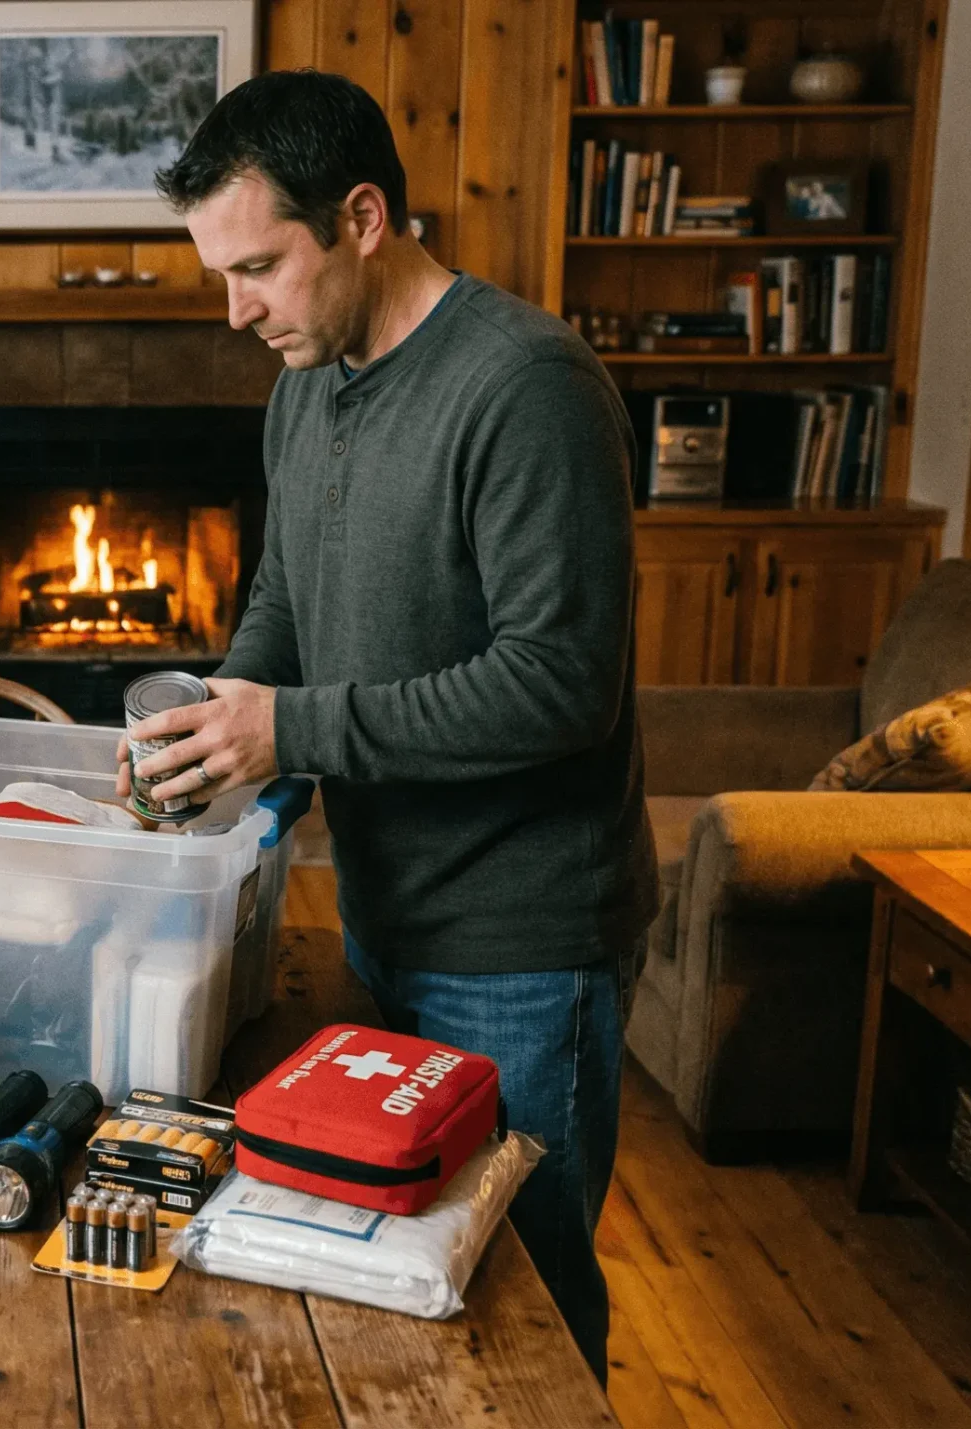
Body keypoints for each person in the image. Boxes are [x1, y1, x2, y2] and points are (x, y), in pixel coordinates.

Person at [125, 72, 653, 1383]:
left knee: (526, 1312)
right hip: (383, 916)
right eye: (218, 274)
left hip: (525, 947)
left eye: (258, 268)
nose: (235, 310)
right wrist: (215, 726)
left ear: (362, 219)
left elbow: (559, 684)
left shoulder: (526, 385)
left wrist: (289, 730)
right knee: (407, 1295)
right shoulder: (306, 381)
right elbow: (286, 597)